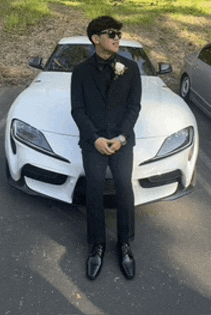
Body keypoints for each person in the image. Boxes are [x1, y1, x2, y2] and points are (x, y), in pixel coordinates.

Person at [71, 16, 142, 280]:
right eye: (111, 33)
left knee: (124, 186)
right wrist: (95, 139)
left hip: (122, 141)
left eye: (119, 34)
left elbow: (134, 107)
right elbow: (77, 109)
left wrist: (122, 137)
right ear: (95, 39)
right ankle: (96, 245)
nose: (117, 38)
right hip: (94, 141)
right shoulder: (80, 71)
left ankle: (124, 244)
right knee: (94, 187)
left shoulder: (131, 68)